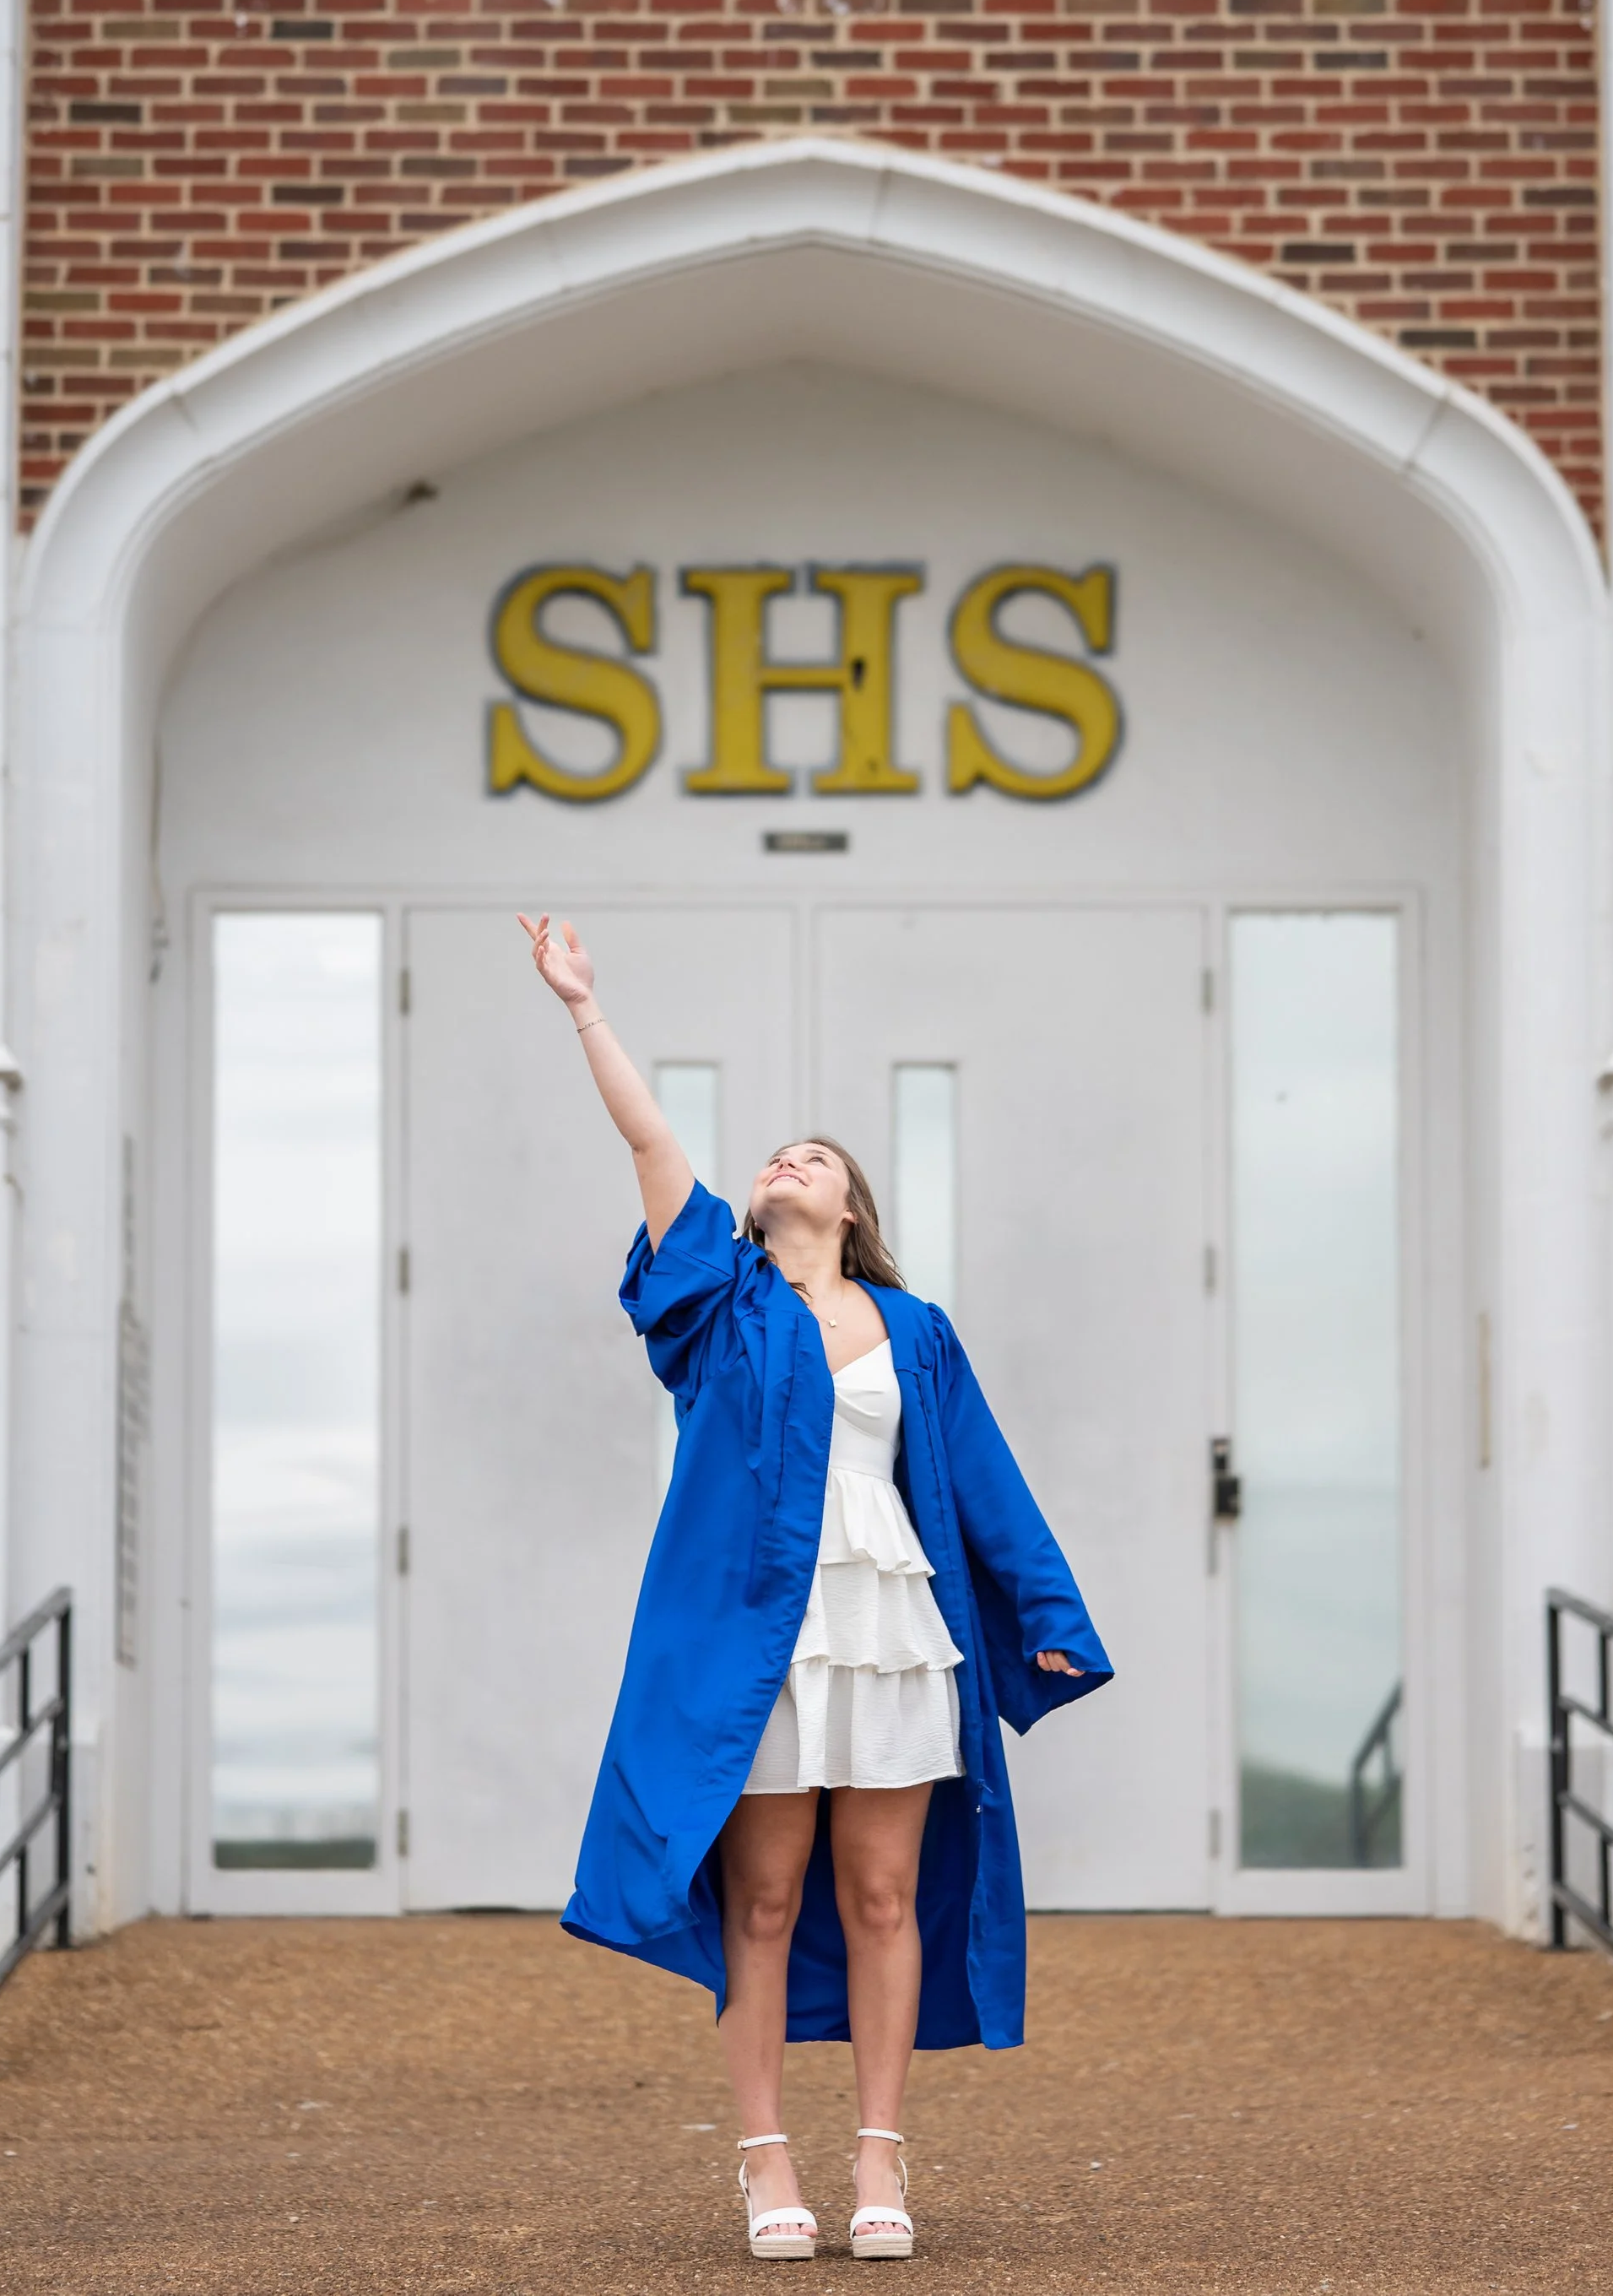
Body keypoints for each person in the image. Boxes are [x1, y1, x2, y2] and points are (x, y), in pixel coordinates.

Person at [522, 912, 1111, 2264]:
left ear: (851, 1210)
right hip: (758, 1648)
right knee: (767, 1903)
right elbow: (649, 1145)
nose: (791, 1159)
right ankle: (765, 2157)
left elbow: (980, 1484)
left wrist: (1051, 1623)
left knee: (887, 1897)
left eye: (820, 1159)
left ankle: (881, 2158)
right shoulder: (718, 1303)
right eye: (779, 1154)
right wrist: (583, 1009)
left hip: (888, 1631)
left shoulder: (916, 1331)